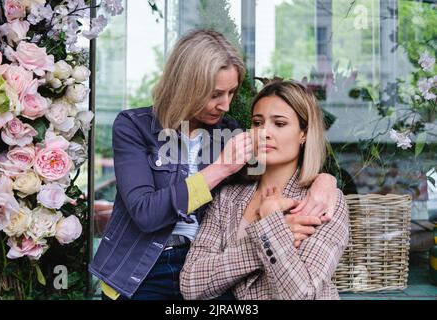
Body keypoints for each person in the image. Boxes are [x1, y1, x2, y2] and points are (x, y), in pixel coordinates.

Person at [89, 29, 339, 300]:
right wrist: (219, 168)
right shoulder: (135, 126)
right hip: (139, 271)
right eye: (215, 94)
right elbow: (145, 213)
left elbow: (280, 161)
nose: (225, 105)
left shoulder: (230, 132)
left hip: (205, 267)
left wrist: (325, 181)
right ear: (186, 85)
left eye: (231, 93)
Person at [180, 80, 349, 300]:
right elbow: (191, 285)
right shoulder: (228, 198)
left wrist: (270, 218)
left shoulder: (322, 200)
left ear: (304, 134)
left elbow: (302, 295)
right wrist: (267, 237)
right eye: (258, 123)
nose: (264, 133)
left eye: (279, 124)